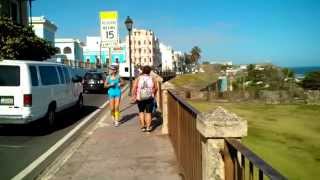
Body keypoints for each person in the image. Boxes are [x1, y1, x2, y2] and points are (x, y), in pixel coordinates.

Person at [132, 66, 158, 132]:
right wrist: (153, 94)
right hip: (150, 98)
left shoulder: (138, 78)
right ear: (150, 71)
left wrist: (134, 96)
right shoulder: (152, 78)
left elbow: (134, 88)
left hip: (140, 98)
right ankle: (148, 127)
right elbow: (156, 88)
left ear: (143, 71)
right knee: (148, 113)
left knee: (141, 112)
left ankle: (143, 126)